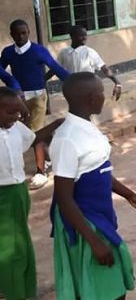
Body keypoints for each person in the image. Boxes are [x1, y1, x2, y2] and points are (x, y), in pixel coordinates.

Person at [50, 72, 136, 300]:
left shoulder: (87, 128)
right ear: (91, 98)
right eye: (101, 92)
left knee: (107, 288)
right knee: (102, 290)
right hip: (84, 222)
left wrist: (129, 195)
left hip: (99, 215)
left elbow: (98, 171)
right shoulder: (67, 139)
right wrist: (94, 241)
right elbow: (64, 198)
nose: (104, 97)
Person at [0, 87, 62, 300]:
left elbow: (34, 138)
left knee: (20, 239)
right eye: (10, 112)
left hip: (18, 191)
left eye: (18, 111)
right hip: (2, 195)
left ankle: (24, 288)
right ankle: (11, 291)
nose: (16, 116)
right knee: (7, 245)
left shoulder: (16, 128)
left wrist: (57, 123)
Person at [1, 19, 70, 190]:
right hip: (18, 99)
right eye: (17, 34)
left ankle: (41, 172)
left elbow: (56, 67)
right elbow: (2, 71)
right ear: (11, 35)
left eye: (24, 33)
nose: (21, 37)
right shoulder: (8, 52)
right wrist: (14, 87)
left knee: (34, 133)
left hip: (38, 96)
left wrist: (74, 81)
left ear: (29, 32)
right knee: (27, 130)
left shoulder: (38, 50)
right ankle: (52, 155)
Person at [52, 25, 122, 100]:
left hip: (88, 89)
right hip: (72, 90)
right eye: (81, 35)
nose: (85, 37)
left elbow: (104, 68)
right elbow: (54, 68)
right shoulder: (64, 53)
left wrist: (117, 83)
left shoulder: (89, 52)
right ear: (72, 37)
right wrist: (43, 80)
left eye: (85, 35)